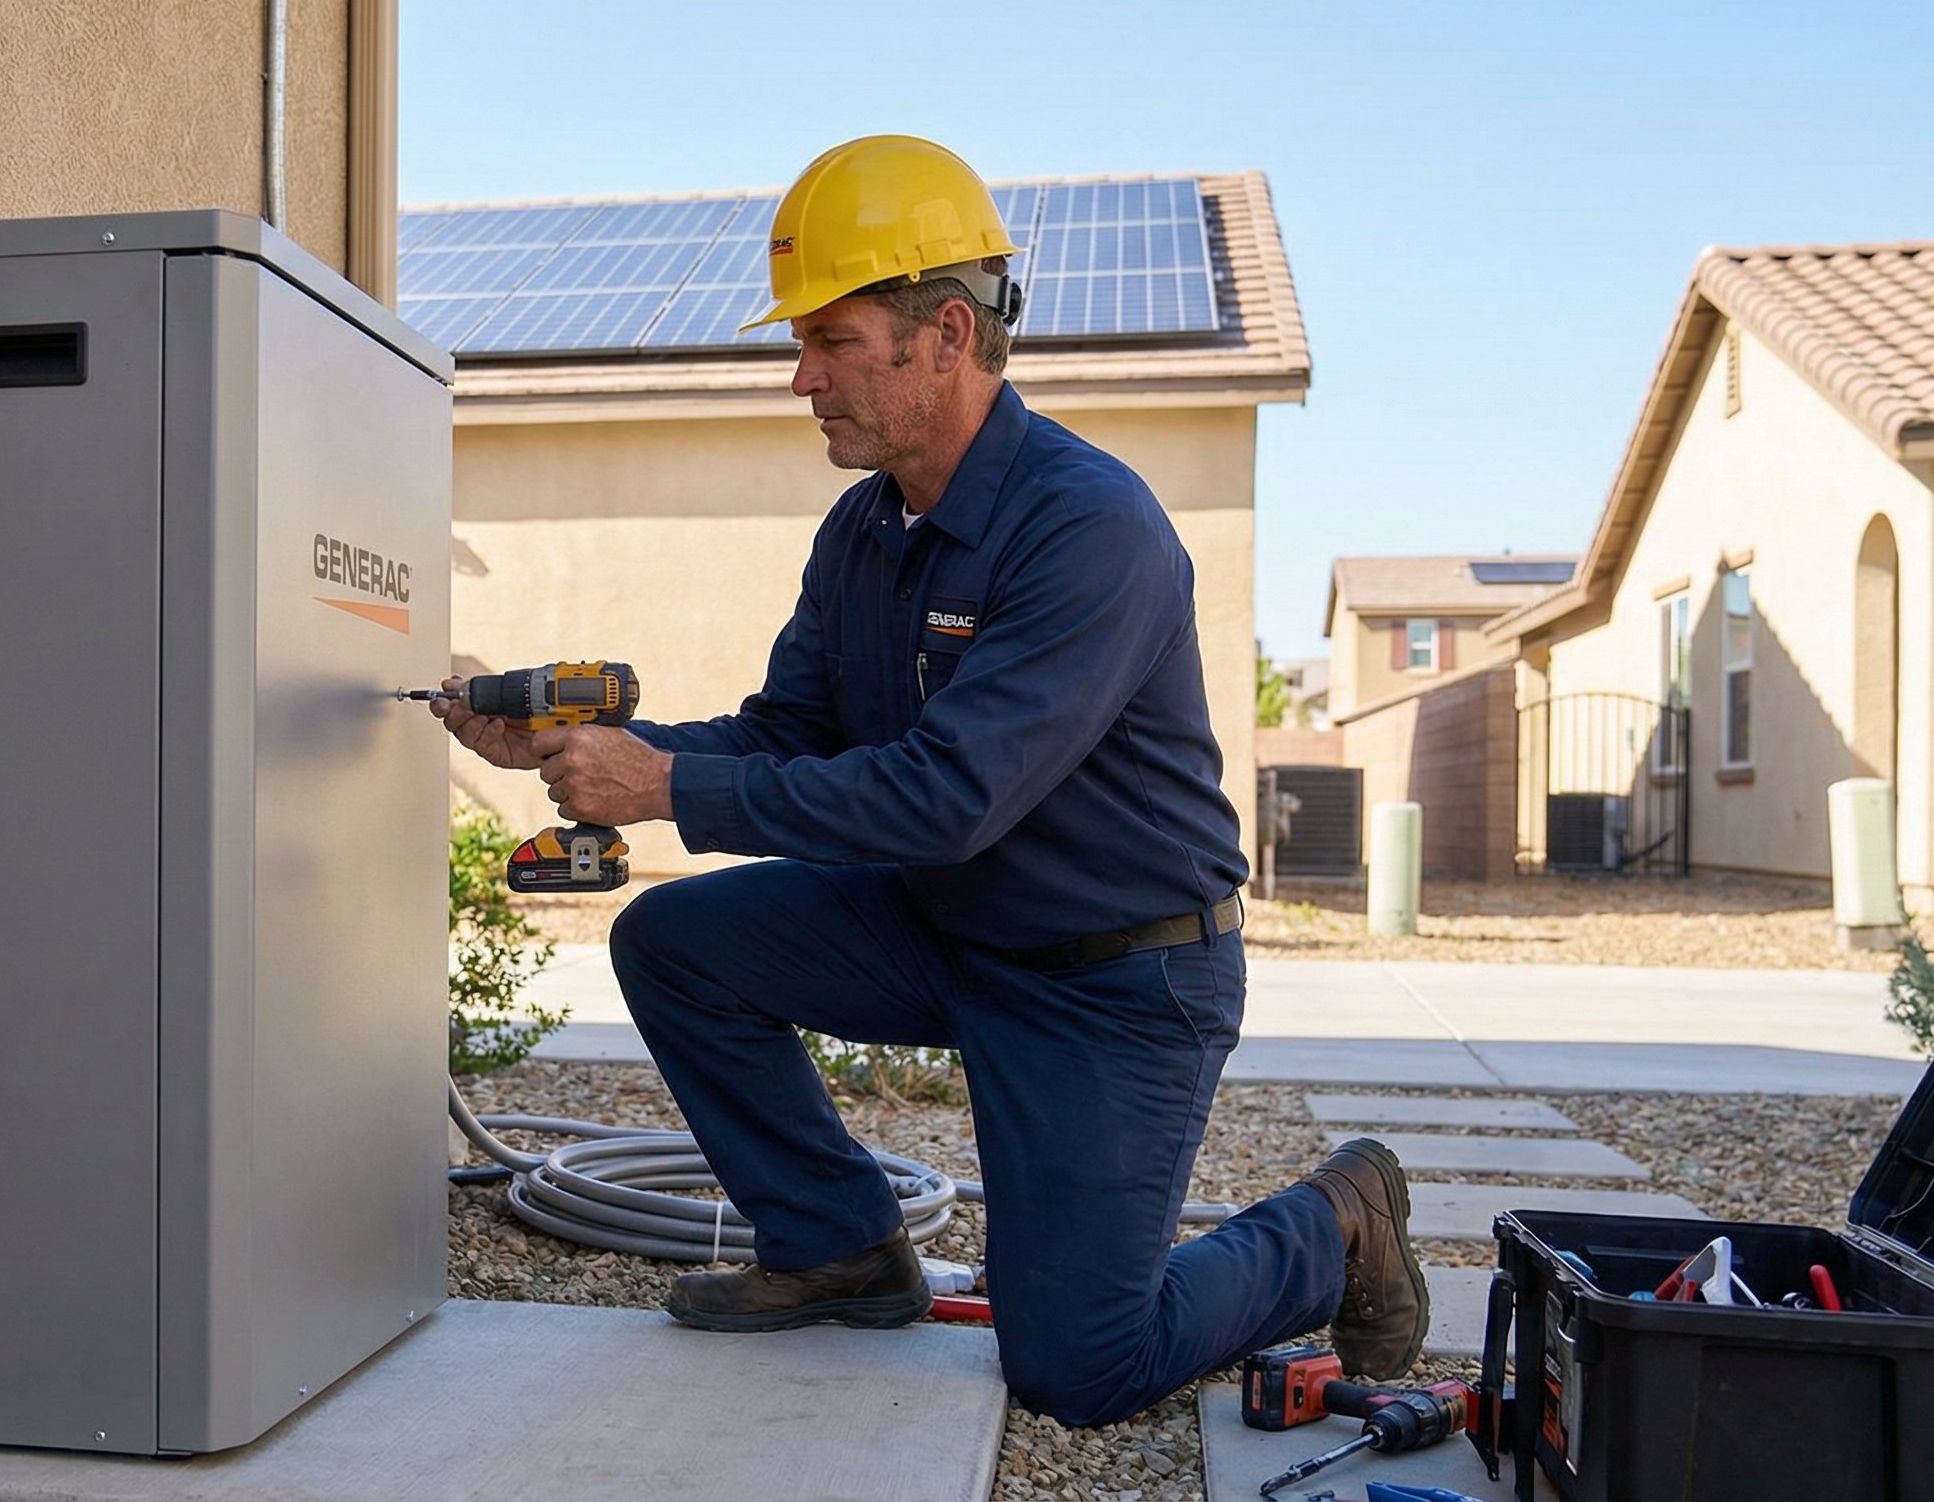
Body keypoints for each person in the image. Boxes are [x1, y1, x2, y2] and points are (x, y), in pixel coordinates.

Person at [432, 134, 1426, 1428]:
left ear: (944, 335)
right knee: (675, 942)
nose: (802, 378)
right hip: (949, 930)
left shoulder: (1088, 527)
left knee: (1078, 1365)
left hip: (1114, 982)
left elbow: (945, 796)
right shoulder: (864, 531)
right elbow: (786, 734)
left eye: (832, 340)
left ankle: (1334, 1223)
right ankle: (841, 1245)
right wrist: (578, 755)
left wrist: (661, 784)